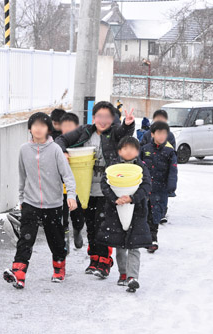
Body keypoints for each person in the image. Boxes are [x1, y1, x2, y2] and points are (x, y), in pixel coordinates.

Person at [55, 101, 135, 279]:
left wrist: (128, 125)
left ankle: (105, 262)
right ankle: (94, 260)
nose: (103, 120)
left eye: (108, 116)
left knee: (104, 226)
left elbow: (124, 133)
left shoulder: (114, 132)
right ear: (93, 117)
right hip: (86, 188)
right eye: (100, 116)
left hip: (106, 189)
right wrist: (63, 152)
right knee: (91, 226)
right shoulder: (85, 131)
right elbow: (61, 140)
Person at [3, 112, 77, 289]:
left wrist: (72, 195)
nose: (38, 128)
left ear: (48, 129)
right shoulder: (24, 149)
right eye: (34, 125)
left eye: (42, 125)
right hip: (30, 202)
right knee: (25, 239)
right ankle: (19, 273)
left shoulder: (55, 150)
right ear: (29, 128)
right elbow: (22, 175)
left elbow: (67, 175)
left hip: (53, 204)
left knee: (56, 239)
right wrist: (21, 198)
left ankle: (59, 267)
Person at [97, 137, 151, 292]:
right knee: (120, 245)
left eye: (133, 148)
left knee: (134, 246)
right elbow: (105, 184)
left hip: (137, 213)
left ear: (138, 151)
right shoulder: (113, 167)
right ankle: (123, 273)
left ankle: (132, 277)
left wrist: (133, 198)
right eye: (125, 148)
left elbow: (147, 185)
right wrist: (115, 199)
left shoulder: (142, 167)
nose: (129, 151)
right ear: (119, 151)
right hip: (115, 213)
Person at [140, 121, 177, 253]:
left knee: (156, 214)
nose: (161, 136)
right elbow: (138, 167)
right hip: (145, 188)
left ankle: (153, 238)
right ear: (152, 134)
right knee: (144, 213)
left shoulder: (170, 151)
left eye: (164, 134)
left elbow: (173, 170)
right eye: (159, 133)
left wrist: (171, 186)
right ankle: (145, 237)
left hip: (160, 188)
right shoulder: (145, 149)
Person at [141, 109, 177, 223]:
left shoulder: (169, 137)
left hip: (162, 177)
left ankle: (161, 215)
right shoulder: (147, 137)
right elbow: (141, 150)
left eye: (162, 120)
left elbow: (173, 166)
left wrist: (171, 184)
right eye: (157, 120)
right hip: (149, 175)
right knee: (148, 200)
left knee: (161, 198)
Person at [59, 112, 85, 251]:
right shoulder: (58, 144)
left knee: (78, 216)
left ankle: (77, 230)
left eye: (71, 127)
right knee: (62, 218)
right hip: (61, 189)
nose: (68, 130)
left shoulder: (82, 144)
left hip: (77, 188)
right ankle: (64, 243)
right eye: (65, 127)